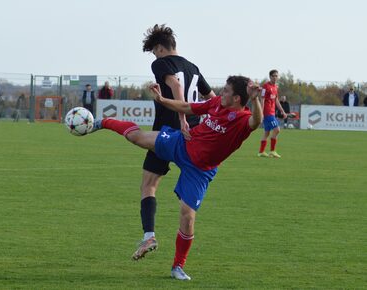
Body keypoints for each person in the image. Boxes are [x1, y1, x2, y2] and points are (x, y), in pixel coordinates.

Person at [89, 76, 262, 280]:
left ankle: (177, 267)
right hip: (182, 144)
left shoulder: (243, 119)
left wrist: (256, 99)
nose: (221, 92)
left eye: (226, 90)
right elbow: (188, 107)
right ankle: (102, 122)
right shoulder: (216, 103)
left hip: (200, 170)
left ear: (236, 98)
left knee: (187, 215)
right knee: (139, 138)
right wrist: (162, 100)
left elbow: (256, 122)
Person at [133, 24, 216, 263]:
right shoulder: (193, 67)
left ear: (160, 48)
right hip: (196, 135)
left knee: (148, 185)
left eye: (155, 51)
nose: (155, 57)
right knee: (190, 193)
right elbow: (212, 99)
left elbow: (176, 86)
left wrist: (181, 118)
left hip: (169, 133)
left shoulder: (161, 64)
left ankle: (149, 235)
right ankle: (180, 254)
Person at [257, 69, 287, 158]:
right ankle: (272, 151)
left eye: (276, 76)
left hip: (272, 112)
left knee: (266, 132)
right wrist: (261, 113)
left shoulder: (275, 87)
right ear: (270, 76)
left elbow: (276, 100)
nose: (275, 77)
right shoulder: (265, 86)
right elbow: (262, 99)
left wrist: (282, 111)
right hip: (267, 112)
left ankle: (261, 152)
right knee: (277, 129)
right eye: (273, 76)